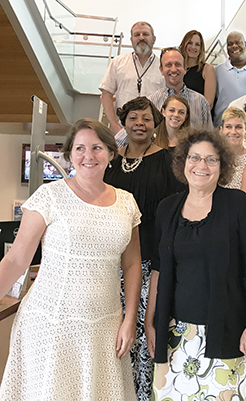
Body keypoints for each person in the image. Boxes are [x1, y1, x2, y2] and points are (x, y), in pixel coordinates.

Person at [0, 118, 142, 400]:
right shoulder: (49, 196)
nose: (88, 156)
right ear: (69, 155)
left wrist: (129, 319)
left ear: (111, 154)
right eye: (80, 148)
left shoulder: (126, 201)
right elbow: (17, 260)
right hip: (52, 325)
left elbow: (132, 264)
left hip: (105, 327)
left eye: (97, 148)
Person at [144, 129, 246, 400]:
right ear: (183, 162)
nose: (202, 166)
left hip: (227, 332)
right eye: (195, 158)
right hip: (174, 335)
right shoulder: (168, 208)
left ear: (222, 166)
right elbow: (158, 268)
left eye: (211, 160)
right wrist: (150, 321)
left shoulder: (238, 204)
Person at [103, 97, 185, 401]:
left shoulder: (169, 161)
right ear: (123, 122)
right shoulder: (109, 163)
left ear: (156, 124)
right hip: (109, 263)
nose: (140, 123)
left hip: (151, 260)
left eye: (146, 118)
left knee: (141, 334)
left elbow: (176, 215)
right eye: (133, 117)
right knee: (112, 334)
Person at [99, 21, 163, 136]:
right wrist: (114, 125)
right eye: (137, 35)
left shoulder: (163, 66)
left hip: (154, 132)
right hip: (123, 131)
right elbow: (106, 94)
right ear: (131, 39)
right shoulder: (117, 62)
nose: (141, 38)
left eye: (145, 34)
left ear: (154, 39)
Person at [149, 47, 212, 130]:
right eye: (168, 65)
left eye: (178, 64)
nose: (174, 69)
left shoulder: (201, 102)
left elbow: (209, 137)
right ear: (161, 70)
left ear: (185, 69)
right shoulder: (152, 102)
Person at [220, 106, 246, 189]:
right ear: (221, 130)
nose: (233, 131)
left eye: (238, 127)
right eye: (228, 127)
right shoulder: (213, 157)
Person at [180, 30, 216, 109]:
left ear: (201, 48)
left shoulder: (207, 69)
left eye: (197, 44)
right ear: (184, 44)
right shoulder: (178, 69)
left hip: (199, 118)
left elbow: (208, 103)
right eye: (190, 43)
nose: (193, 47)